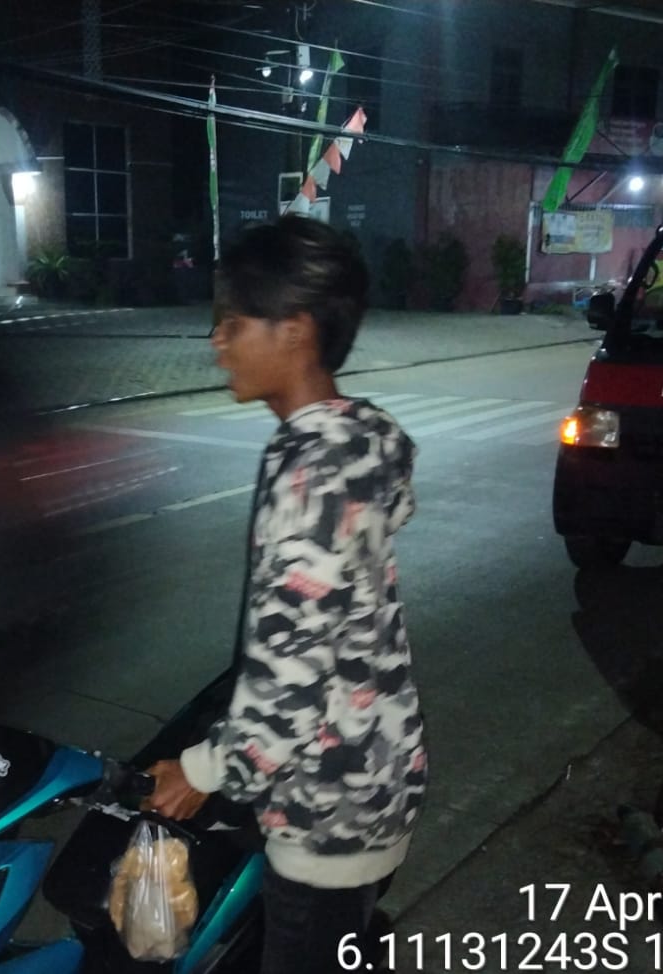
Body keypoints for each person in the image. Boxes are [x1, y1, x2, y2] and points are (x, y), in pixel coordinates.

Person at [145, 216, 428, 973]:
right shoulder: (354, 440)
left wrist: (201, 773)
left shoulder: (312, 478)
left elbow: (291, 678)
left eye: (234, 323)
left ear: (296, 331)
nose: (217, 342)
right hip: (371, 775)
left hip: (326, 810)